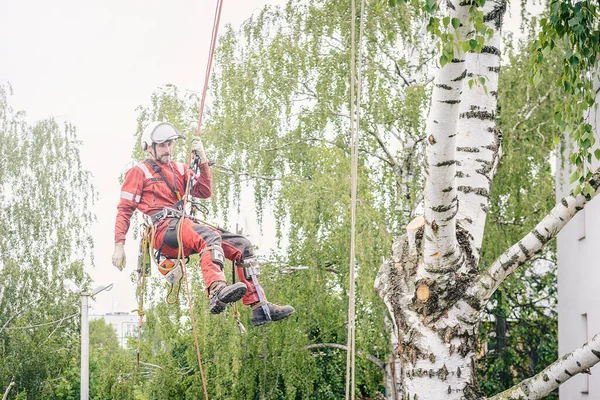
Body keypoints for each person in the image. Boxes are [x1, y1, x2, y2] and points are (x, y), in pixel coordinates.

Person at [111, 121, 294, 326]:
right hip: (162, 230)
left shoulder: (179, 169)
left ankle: (259, 306)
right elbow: (124, 209)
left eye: (170, 144)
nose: (168, 149)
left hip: (184, 226)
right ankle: (216, 289)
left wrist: (203, 161)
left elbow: (204, 191)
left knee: (242, 246)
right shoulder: (139, 171)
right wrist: (119, 245)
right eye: (162, 145)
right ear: (149, 147)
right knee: (209, 236)